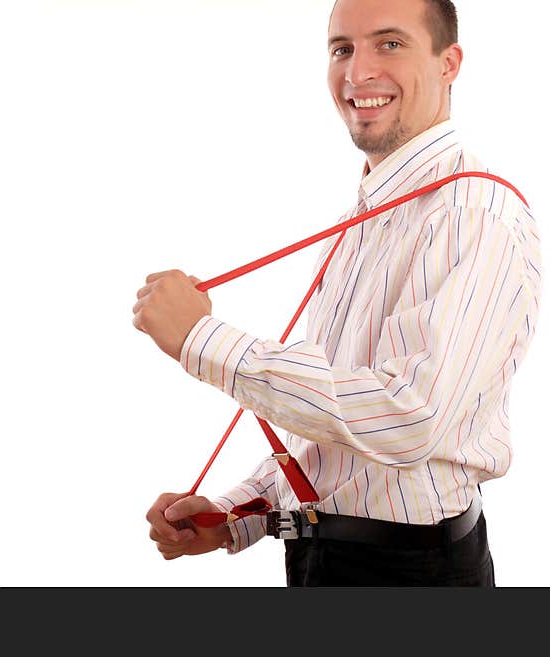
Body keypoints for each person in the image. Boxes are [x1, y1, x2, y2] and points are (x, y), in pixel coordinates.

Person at [132, 0, 542, 586]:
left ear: (449, 62)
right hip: (332, 561)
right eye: (342, 48)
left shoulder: (472, 214)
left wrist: (203, 340)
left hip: (410, 575)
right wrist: (237, 514)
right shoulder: (372, 211)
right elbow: (338, 423)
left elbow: (407, 417)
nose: (358, 72)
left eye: (390, 43)